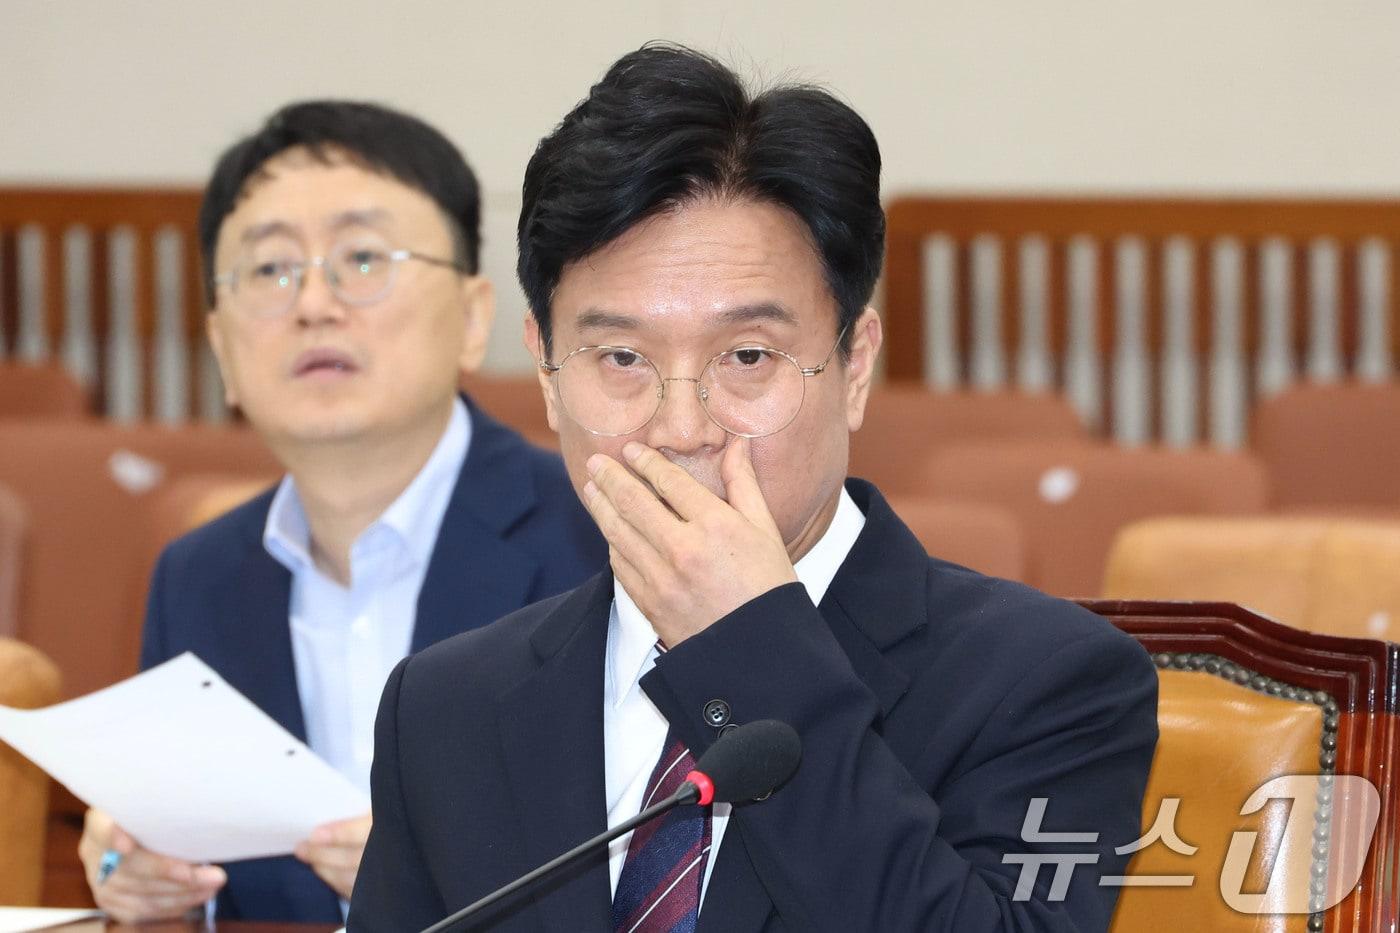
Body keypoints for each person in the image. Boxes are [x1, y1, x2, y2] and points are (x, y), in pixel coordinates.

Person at [350, 45, 1158, 933]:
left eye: (746, 356)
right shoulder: (446, 708)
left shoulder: (1050, 683)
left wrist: (751, 650)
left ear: (855, 365)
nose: (680, 427)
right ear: (546, 372)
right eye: (620, 357)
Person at [76, 100, 606, 924]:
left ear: (473, 319)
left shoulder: (597, 533)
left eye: (363, 258)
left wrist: (425, 880)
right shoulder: (197, 577)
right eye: (269, 269)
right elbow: (211, 879)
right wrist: (147, 880)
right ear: (221, 349)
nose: (314, 304)